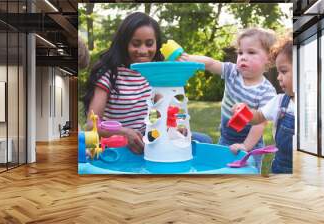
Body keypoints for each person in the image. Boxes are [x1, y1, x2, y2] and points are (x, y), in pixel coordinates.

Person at [83, 12, 212, 155]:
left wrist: (172, 128)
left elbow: (157, 114)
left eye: (149, 44)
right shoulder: (110, 74)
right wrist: (124, 132)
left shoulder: (156, 73)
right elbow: (90, 126)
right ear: (124, 43)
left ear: (157, 44)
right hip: (120, 145)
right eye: (136, 44)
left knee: (204, 140)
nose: (143, 51)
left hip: (148, 140)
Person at [179, 28, 277, 153]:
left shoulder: (267, 91)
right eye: (240, 53)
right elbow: (210, 63)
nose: (243, 57)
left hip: (250, 144)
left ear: (269, 58)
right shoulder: (232, 72)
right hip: (225, 138)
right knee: (222, 168)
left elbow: (260, 124)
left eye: (251, 52)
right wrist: (188, 58)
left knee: (245, 171)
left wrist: (245, 146)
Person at [241, 36, 294, 173]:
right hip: (281, 168)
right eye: (278, 72)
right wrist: (245, 111)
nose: (278, 77)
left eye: (283, 71)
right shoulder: (280, 101)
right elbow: (258, 117)